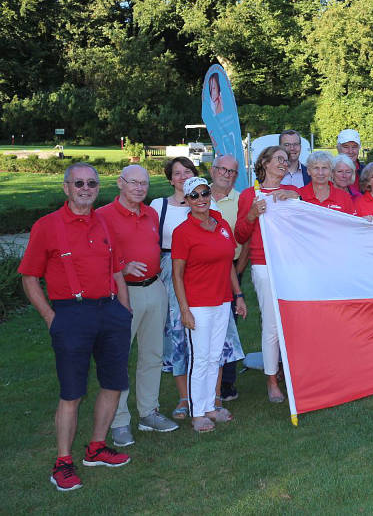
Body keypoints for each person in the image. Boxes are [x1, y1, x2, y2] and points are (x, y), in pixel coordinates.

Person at [20, 163, 132, 491]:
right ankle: (63, 461)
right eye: (79, 183)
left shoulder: (105, 222)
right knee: (72, 392)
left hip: (110, 312)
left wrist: (123, 309)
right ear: (66, 188)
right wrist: (50, 317)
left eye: (92, 183)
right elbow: (29, 277)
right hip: (71, 314)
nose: (86, 188)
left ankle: (96, 447)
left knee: (113, 383)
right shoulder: (48, 226)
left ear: (99, 188)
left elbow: (116, 270)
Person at [154, 157, 245, 420]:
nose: (202, 199)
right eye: (194, 196)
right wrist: (184, 309)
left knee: (215, 356)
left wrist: (238, 295)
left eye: (205, 193)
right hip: (198, 304)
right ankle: (197, 412)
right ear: (188, 200)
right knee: (200, 358)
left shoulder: (221, 225)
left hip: (221, 301)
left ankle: (210, 407)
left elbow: (228, 263)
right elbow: (177, 276)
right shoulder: (183, 232)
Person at [97, 165, 178, 448]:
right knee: (118, 359)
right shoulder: (102, 216)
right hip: (122, 293)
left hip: (154, 288)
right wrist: (122, 266)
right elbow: (93, 255)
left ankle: (148, 412)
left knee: (153, 354)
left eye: (144, 183)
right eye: (133, 182)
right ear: (120, 183)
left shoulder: (151, 213)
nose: (139, 188)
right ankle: (119, 421)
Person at [234, 146, 300, 403]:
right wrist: (251, 214)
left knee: (293, 319)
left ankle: (291, 371)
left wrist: (294, 200)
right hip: (263, 263)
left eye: (287, 160)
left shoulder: (293, 193)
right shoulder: (250, 194)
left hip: (291, 263)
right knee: (272, 324)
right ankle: (272, 380)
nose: (284, 164)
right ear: (265, 163)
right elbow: (240, 234)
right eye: (279, 160)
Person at [209, 154, 246, 404]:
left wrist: (239, 272)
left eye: (232, 171)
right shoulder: (198, 194)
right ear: (213, 171)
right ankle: (204, 380)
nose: (226, 174)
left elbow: (247, 239)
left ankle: (227, 383)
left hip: (232, 268)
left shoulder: (242, 199)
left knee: (228, 326)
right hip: (201, 269)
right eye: (222, 169)